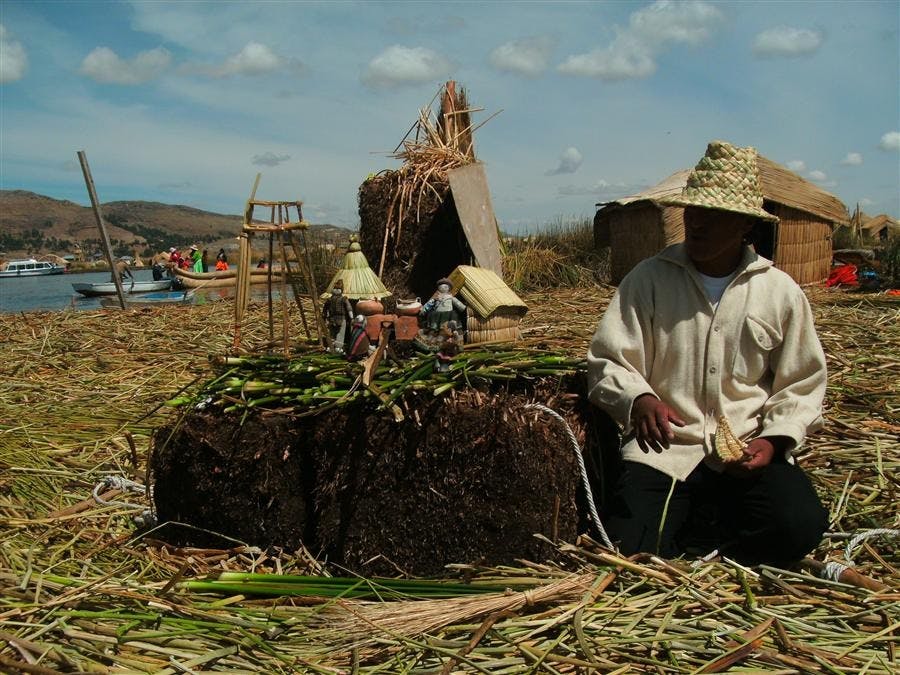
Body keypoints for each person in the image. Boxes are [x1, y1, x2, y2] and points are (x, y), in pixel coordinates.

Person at [586, 140, 828, 567]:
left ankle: (702, 530)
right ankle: (705, 530)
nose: (697, 224)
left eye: (713, 216)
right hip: (666, 452)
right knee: (632, 547)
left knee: (798, 526)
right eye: (693, 212)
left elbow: (802, 382)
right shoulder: (649, 280)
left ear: (745, 225)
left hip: (745, 451)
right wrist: (638, 399)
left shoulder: (779, 292)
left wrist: (773, 440)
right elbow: (608, 360)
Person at [322, 280, 353, 353]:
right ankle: (334, 347)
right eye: (335, 288)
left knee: (336, 334)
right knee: (336, 334)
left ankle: (335, 347)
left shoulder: (338, 299)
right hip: (336, 319)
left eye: (337, 288)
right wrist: (351, 317)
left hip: (336, 319)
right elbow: (349, 308)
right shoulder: (333, 299)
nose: (336, 290)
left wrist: (351, 318)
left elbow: (349, 308)